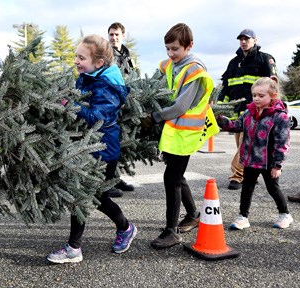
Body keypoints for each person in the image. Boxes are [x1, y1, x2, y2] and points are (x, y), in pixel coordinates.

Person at [46, 35, 137, 264]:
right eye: (75, 56)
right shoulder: (88, 76)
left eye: (81, 57)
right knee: (98, 199)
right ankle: (125, 228)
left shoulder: (106, 86)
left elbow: (96, 117)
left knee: (82, 197)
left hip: (102, 150)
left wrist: (70, 106)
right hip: (89, 146)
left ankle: (73, 248)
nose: (76, 61)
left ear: (98, 63)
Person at [142, 23, 215, 249]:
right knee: (178, 175)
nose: (171, 54)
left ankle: (171, 231)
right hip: (173, 131)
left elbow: (181, 106)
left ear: (189, 45)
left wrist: (153, 116)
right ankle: (193, 214)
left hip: (186, 132)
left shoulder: (194, 70)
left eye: (175, 49)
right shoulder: (168, 65)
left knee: (171, 178)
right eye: (167, 49)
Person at [217, 76, 293, 229]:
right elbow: (236, 126)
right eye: (254, 95)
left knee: (273, 188)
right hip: (250, 159)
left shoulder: (280, 116)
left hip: (269, 162)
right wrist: (221, 119)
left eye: (261, 95)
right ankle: (243, 217)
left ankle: (285, 214)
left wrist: (277, 165)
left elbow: (282, 143)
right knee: (247, 188)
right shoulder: (249, 112)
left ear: (273, 95)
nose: (256, 99)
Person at [217, 29, 277, 190]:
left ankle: (237, 176)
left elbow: (272, 86)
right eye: (241, 39)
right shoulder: (233, 62)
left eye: (247, 39)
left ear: (255, 40)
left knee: (245, 145)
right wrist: (221, 106)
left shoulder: (265, 59)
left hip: (255, 113)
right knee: (242, 146)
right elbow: (226, 88)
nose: (243, 42)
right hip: (237, 114)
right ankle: (251, 174)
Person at [107, 22, 136, 196]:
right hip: (111, 102)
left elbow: (131, 75)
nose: (113, 37)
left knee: (122, 143)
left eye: (117, 34)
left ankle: (116, 178)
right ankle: (107, 182)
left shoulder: (126, 54)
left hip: (126, 102)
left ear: (123, 35)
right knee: (111, 143)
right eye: (111, 34)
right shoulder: (107, 54)